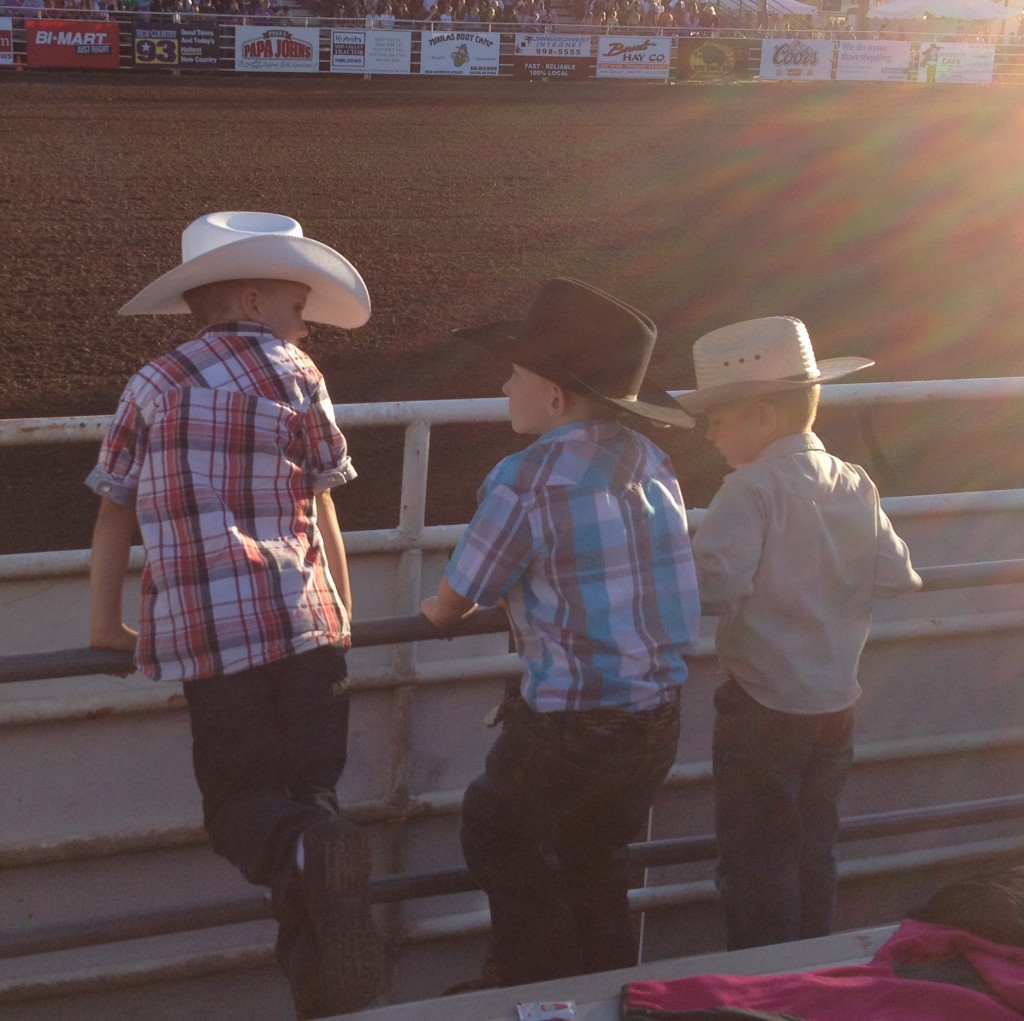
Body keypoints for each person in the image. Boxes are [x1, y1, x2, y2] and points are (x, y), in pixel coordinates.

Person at [85, 211, 386, 1019]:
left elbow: (114, 510)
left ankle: (302, 858)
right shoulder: (298, 375)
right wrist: (343, 611)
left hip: (218, 642)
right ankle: (325, 984)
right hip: (308, 627)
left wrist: (106, 624)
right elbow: (323, 502)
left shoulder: (152, 384)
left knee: (241, 810)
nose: (305, 328)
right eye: (299, 308)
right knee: (312, 797)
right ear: (252, 300)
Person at [420, 277, 701, 988]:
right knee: (597, 851)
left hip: (575, 718)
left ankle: (530, 973)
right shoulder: (649, 460)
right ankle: (605, 987)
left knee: (497, 826)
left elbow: (461, 594)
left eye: (514, 374)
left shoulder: (526, 478)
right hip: (657, 709)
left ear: (552, 395)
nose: (504, 384)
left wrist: (429, 614)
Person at [676, 316, 922, 952]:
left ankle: (765, 983)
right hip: (836, 702)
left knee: (756, 858)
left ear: (760, 416)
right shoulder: (855, 481)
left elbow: (712, 590)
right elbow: (900, 577)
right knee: (816, 847)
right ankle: (817, 972)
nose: (711, 433)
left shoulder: (748, 490)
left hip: (763, 704)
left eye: (718, 418)